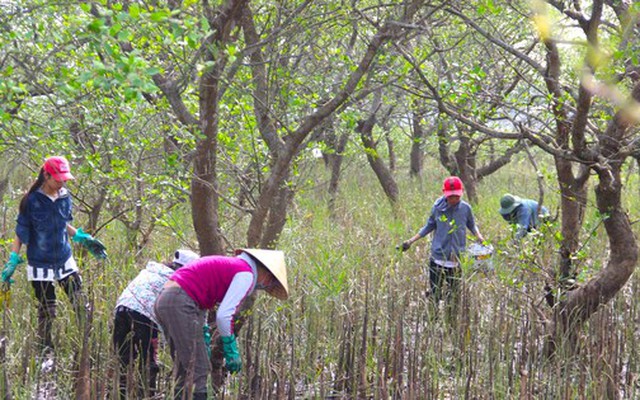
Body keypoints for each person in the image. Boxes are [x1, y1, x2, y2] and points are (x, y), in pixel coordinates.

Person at [0, 156, 107, 354]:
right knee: (47, 311)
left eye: (64, 180)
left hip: (64, 259)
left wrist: (83, 237)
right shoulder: (31, 201)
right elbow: (21, 231)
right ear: (46, 176)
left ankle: (87, 347)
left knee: (81, 304)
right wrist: (13, 259)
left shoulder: (65, 197)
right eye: (58, 179)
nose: (62, 183)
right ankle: (45, 352)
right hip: (40, 263)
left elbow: (61, 223)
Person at [154, 248, 288, 400]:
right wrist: (230, 346)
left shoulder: (231, 266)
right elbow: (224, 316)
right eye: (270, 281)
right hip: (180, 302)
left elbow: (201, 294)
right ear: (266, 273)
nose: (266, 286)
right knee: (199, 369)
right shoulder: (245, 273)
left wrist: (203, 328)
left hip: (166, 300)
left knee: (186, 368)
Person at [113, 249, 199, 399]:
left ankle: (120, 395)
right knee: (149, 363)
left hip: (121, 308)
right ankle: (147, 396)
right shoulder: (177, 280)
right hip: (144, 314)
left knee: (123, 359)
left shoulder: (151, 271)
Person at [400, 176, 485, 305]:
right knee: (435, 294)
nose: (454, 199)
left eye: (456, 196)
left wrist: (479, 236)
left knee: (454, 296)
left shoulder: (465, 209)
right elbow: (429, 226)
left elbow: (472, 224)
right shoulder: (437, 208)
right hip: (438, 257)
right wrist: (410, 241)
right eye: (451, 196)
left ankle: (451, 320)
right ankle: (433, 318)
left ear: (461, 192)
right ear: (444, 193)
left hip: (457, 259)